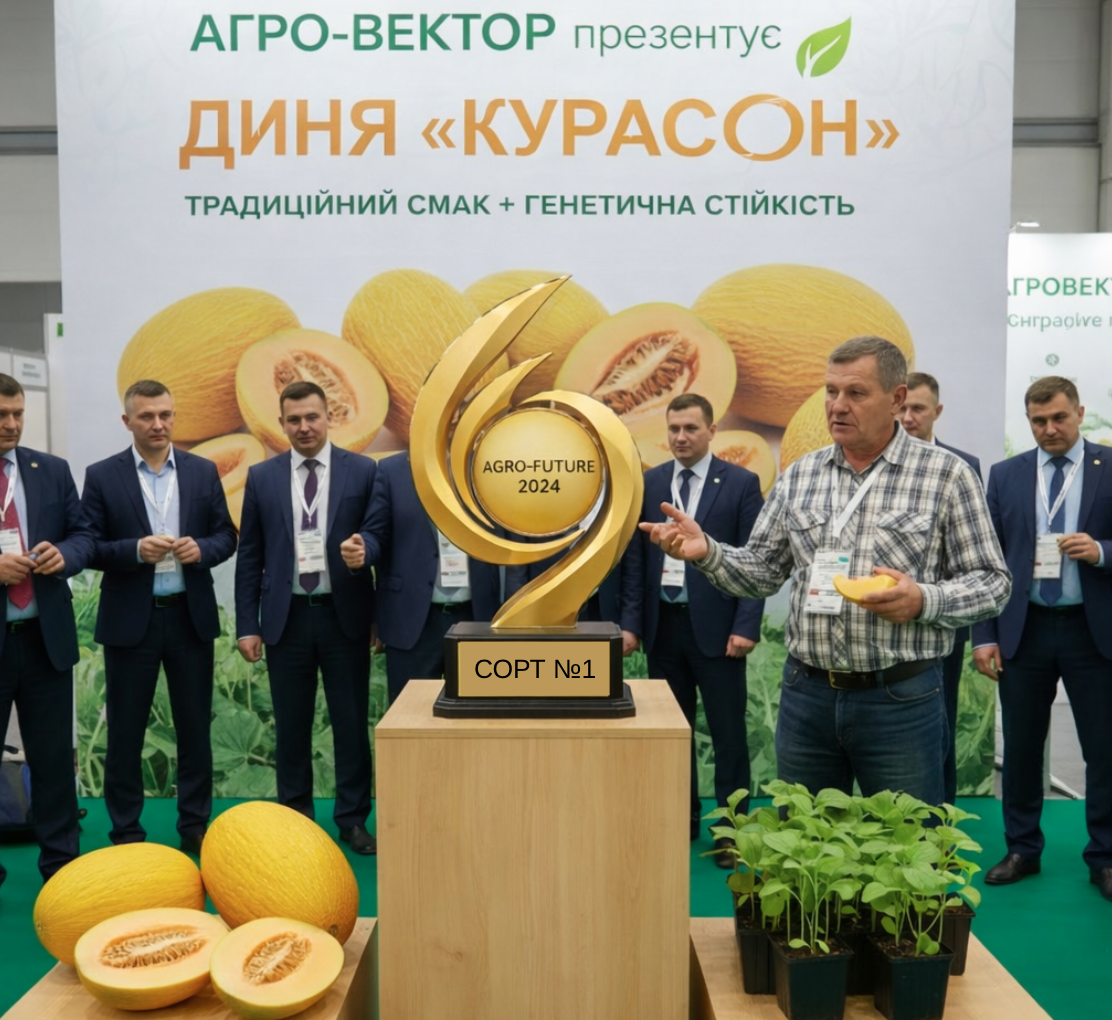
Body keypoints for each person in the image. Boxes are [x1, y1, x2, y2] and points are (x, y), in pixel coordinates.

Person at [639, 337, 1010, 807]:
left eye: (855, 393)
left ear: (896, 399)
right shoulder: (801, 475)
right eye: (831, 392)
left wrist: (923, 600)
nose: (837, 405)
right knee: (804, 842)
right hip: (806, 697)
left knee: (908, 844)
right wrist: (708, 552)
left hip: (900, 700)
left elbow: (993, 583)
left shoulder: (947, 475)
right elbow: (762, 571)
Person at [81, 380, 237, 854]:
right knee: (125, 731)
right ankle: (127, 830)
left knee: (194, 727)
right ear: (127, 421)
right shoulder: (102, 476)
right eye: (147, 416)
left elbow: (226, 536)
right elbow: (88, 544)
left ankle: (194, 824)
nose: (158, 424)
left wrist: (201, 549)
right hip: (133, 620)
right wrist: (133, 550)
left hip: (189, 617)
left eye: (165, 415)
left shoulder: (202, 471)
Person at [972, 376, 1112, 900]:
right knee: (1022, 747)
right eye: (1038, 421)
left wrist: (1102, 551)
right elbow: (985, 560)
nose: (1049, 429)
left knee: (1104, 749)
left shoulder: (1108, 465)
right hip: (1023, 629)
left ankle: (1105, 857)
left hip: (1091, 631)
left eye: (1058, 418)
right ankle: (1022, 849)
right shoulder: (1006, 474)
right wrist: (984, 635)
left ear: (1079, 412)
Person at [621, 394, 765, 867]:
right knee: (671, 732)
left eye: (690, 428)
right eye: (674, 428)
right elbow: (635, 560)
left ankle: (730, 830)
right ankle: (679, 819)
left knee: (727, 734)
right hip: (664, 629)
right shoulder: (650, 482)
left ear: (712, 430)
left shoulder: (741, 483)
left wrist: (746, 625)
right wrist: (631, 625)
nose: (680, 437)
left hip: (720, 632)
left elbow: (755, 559)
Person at [234, 381, 378, 854]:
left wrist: (378, 616)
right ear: (281, 423)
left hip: (345, 616)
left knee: (350, 723)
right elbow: (250, 555)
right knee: (291, 726)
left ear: (328, 416)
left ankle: (352, 820)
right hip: (286, 618)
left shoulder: (363, 471)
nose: (304, 427)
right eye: (293, 420)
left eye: (312, 417)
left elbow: (379, 543)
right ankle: (295, 819)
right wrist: (247, 624)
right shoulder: (262, 477)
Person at [0, 372, 92, 885]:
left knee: (54, 761)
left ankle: (62, 870)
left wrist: (65, 555)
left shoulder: (50, 470)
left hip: (44, 639)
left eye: (18, 414)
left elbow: (82, 534)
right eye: (2, 415)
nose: (12, 424)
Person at [899, 371, 983, 804]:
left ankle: (942, 815)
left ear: (938, 411)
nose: (908, 417)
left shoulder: (964, 465)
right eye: (902, 408)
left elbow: (972, 550)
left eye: (918, 409)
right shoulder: (874, 462)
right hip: (886, 614)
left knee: (941, 717)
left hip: (942, 616)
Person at [364, 450, 503, 704]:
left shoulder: (485, 464)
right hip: (413, 620)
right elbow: (376, 534)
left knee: (476, 715)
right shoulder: (391, 471)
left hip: (477, 615)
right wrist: (363, 548)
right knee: (410, 715)